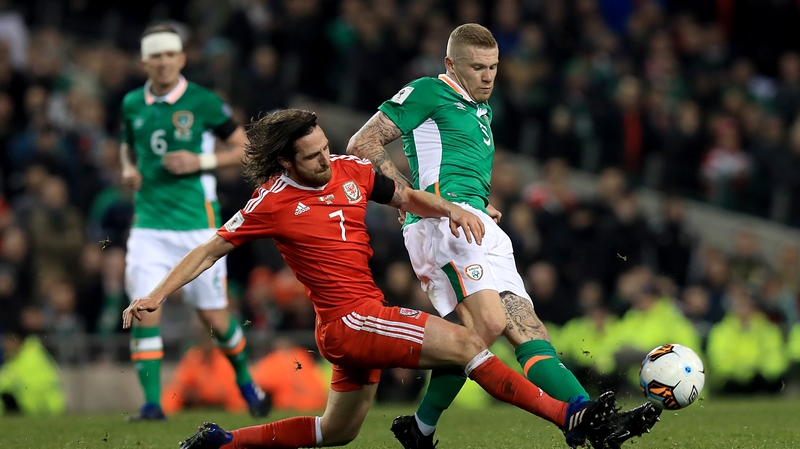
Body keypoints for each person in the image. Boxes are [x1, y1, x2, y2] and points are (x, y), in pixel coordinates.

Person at [122, 109, 624, 449]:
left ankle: (225, 442)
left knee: (336, 432)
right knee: (471, 341)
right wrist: (156, 295)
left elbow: (404, 198)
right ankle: (567, 419)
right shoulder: (271, 202)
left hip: (353, 324)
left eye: (324, 147)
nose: (326, 158)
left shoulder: (348, 170)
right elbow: (210, 249)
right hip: (352, 320)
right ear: (285, 162)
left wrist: (451, 208)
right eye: (313, 155)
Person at [347, 23, 659, 449]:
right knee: (488, 323)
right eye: (477, 67)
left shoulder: (482, 110)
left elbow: (452, 165)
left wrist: (480, 202)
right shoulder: (427, 91)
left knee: (529, 331)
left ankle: (591, 417)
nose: (489, 76)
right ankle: (421, 424)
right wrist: (415, 200)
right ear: (450, 65)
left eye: (494, 67)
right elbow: (362, 143)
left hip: (478, 222)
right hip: (444, 226)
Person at [120, 23, 269, 421]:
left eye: (171, 54)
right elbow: (127, 147)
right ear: (145, 62)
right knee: (144, 308)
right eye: (156, 56)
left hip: (197, 227)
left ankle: (246, 383)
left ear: (182, 58)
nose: (164, 62)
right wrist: (128, 169)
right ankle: (152, 405)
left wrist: (200, 162)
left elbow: (245, 148)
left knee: (214, 318)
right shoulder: (132, 103)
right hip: (148, 226)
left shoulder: (203, 102)